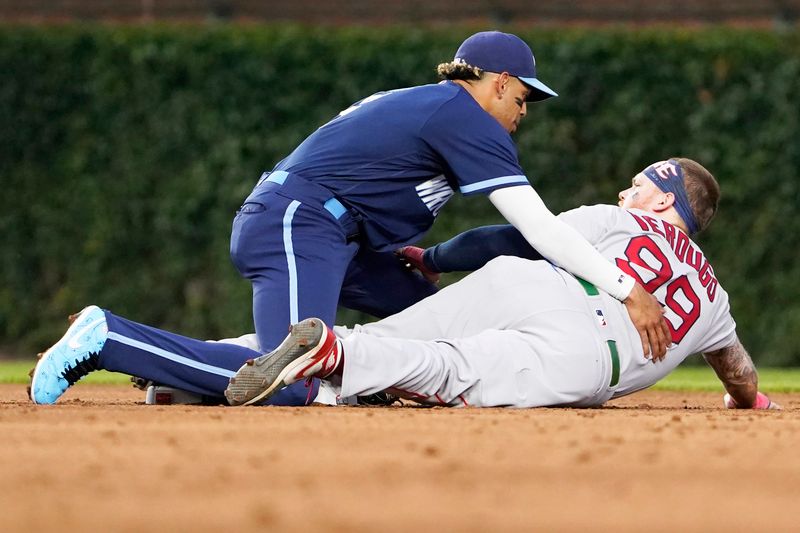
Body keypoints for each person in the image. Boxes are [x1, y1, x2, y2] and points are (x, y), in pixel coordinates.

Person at [29, 158, 776, 410]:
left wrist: (438, 257)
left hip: (526, 284)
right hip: (583, 355)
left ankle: (190, 371)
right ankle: (329, 354)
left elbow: (514, 237)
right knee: (434, 371)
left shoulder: (619, 223)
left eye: (641, 185)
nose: (628, 191)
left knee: (393, 337)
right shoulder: (713, 298)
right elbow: (738, 372)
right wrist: (750, 399)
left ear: (665, 204)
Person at [228, 29, 669, 368]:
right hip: (298, 222)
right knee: (293, 372)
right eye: (521, 96)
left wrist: (425, 258)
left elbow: (361, 185)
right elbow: (539, 227)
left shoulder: (435, 106)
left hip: (333, 234)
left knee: (440, 322)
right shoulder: (462, 116)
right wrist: (628, 290)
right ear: (500, 83)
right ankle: (160, 358)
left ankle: (341, 375)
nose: (524, 110)